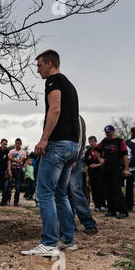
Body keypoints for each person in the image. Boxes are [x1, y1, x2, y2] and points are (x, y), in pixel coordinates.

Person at [22, 50, 79, 257]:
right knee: (60, 193)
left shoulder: (53, 81)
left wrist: (44, 138)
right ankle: (68, 240)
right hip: (71, 146)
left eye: (39, 66)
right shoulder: (70, 85)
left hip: (57, 145)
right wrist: (75, 150)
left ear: (49, 63)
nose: (37, 70)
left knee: (44, 192)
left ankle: (48, 243)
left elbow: (54, 110)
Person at [67, 115, 98, 235]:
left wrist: (75, 159)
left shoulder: (77, 117)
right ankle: (69, 224)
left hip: (74, 158)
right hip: (62, 159)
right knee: (65, 192)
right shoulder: (60, 115)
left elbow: (81, 139)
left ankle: (89, 223)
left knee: (75, 190)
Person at [94, 125, 130, 219]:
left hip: (117, 168)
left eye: (109, 132)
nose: (107, 134)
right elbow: (96, 150)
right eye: (106, 132)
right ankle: (111, 210)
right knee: (108, 190)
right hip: (106, 169)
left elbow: (125, 156)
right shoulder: (104, 141)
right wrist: (100, 159)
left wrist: (126, 169)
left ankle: (123, 211)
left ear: (113, 131)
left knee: (117, 190)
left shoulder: (120, 141)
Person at [84, 136, 106, 211]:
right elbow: (86, 165)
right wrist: (87, 176)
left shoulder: (100, 150)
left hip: (100, 172)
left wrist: (96, 165)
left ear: (96, 141)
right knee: (94, 189)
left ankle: (103, 205)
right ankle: (97, 206)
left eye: (92, 141)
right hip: (91, 173)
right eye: (89, 142)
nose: (91, 143)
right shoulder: (87, 152)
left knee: (101, 188)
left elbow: (103, 162)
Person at [8, 138, 26, 206]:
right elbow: (9, 161)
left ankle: (16, 202)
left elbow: (20, 161)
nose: (17, 145)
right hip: (12, 168)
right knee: (8, 185)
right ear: (15, 143)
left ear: (21, 144)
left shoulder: (23, 152)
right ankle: (6, 200)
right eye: (16, 143)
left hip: (18, 170)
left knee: (18, 186)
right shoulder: (11, 151)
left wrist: (11, 159)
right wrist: (9, 169)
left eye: (19, 143)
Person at [0, 139, 11, 206]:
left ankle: (3, 201)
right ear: (0, 143)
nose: (5, 145)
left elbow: (9, 161)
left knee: (5, 186)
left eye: (6, 144)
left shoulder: (8, 151)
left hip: (4, 171)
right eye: (4, 144)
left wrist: (9, 170)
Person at [125, 127, 134, 212]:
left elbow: (128, 156)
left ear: (131, 133)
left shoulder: (129, 143)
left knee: (129, 188)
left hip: (131, 168)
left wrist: (126, 167)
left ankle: (129, 206)